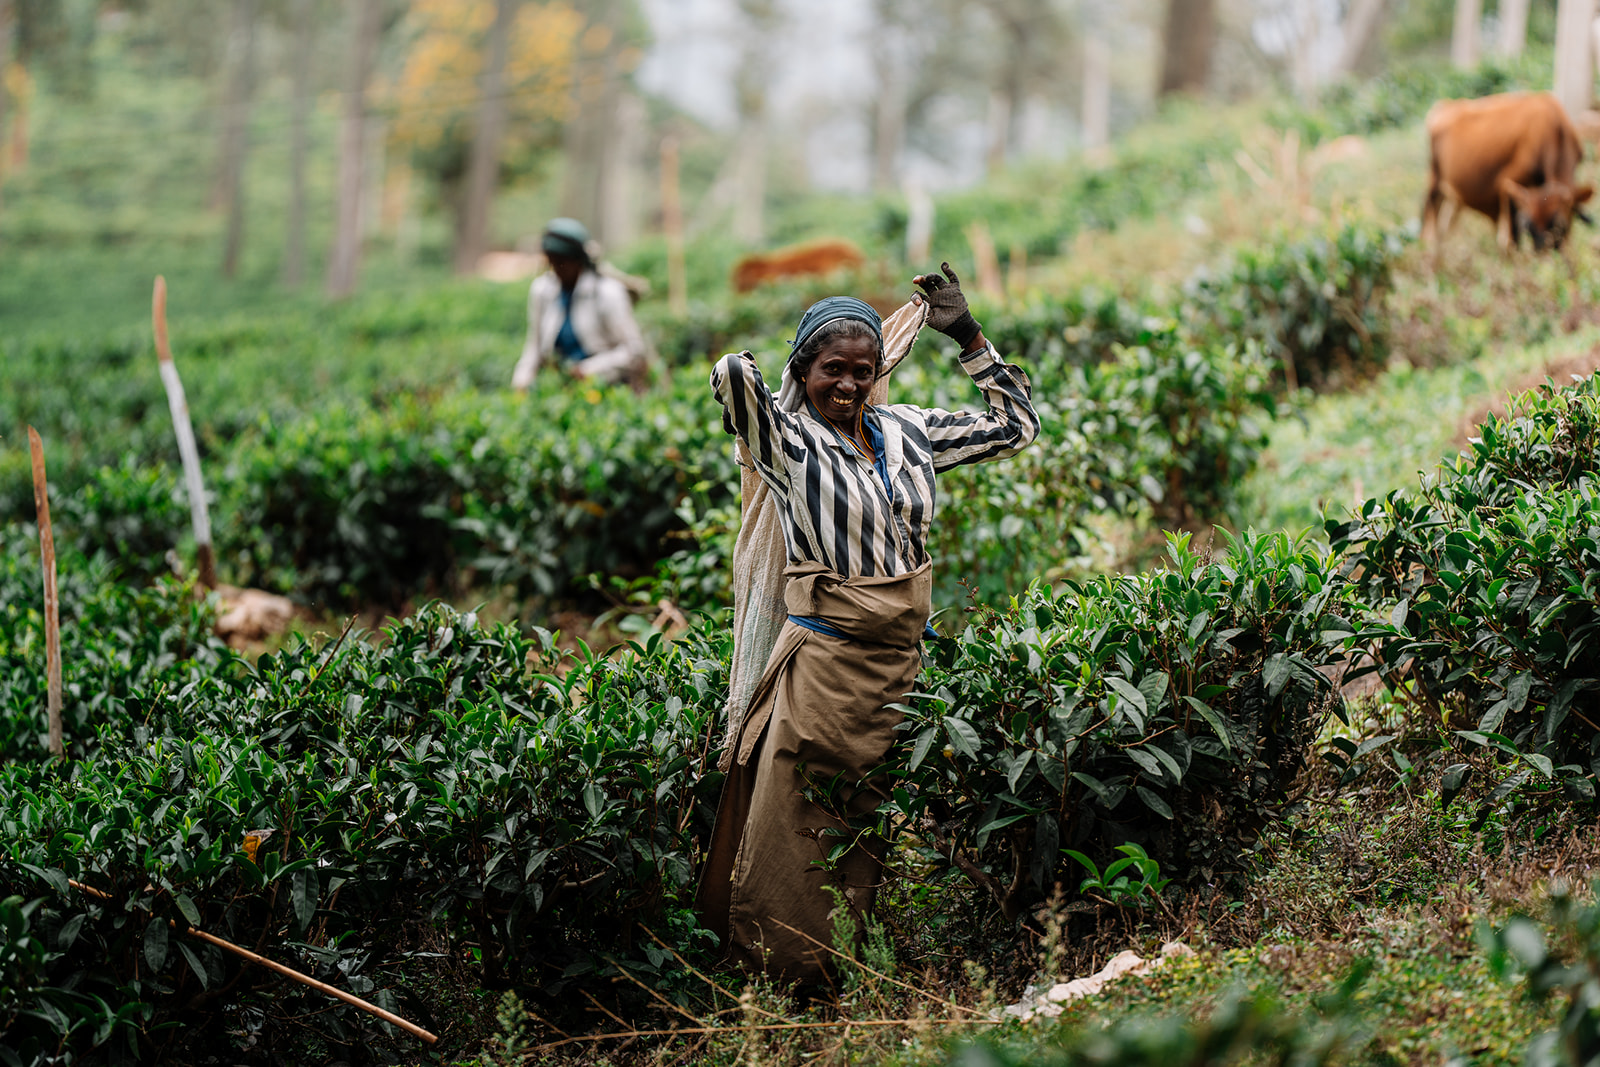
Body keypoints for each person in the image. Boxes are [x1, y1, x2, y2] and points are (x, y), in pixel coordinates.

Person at [698, 264, 1040, 986]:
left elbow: (1017, 425)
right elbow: (731, 378)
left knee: (867, 825)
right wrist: (776, 375)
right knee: (796, 828)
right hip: (825, 668)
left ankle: (852, 963)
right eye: (830, 370)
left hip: (899, 664)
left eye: (862, 370)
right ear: (805, 370)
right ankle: (780, 974)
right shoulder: (786, 444)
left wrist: (967, 334)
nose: (848, 385)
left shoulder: (909, 430)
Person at [511, 218, 648, 389]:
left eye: (562, 261)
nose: (557, 268)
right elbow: (535, 346)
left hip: (606, 385)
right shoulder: (543, 290)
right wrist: (521, 382)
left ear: (578, 260)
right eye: (552, 261)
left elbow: (634, 351)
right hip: (562, 384)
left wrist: (589, 369)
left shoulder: (607, 292)